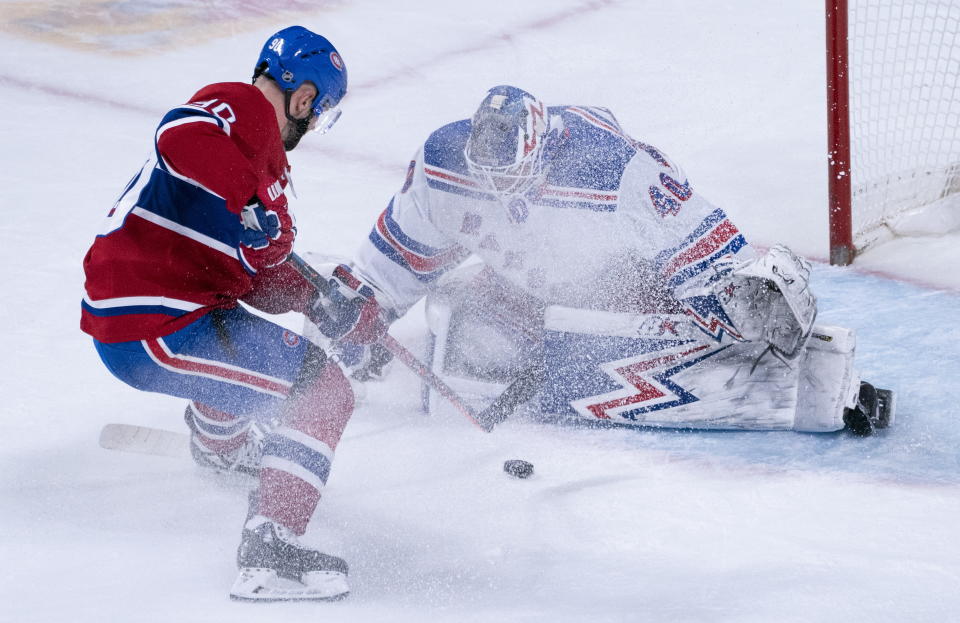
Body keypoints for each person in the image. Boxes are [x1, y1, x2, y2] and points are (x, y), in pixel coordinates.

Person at [323, 85, 894, 435]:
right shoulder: (442, 163)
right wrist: (355, 324)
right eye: (486, 177)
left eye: (513, 178)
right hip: (522, 280)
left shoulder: (616, 171)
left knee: (705, 318)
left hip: (628, 275)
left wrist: (744, 312)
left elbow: (708, 252)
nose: (498, 193)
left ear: (544, 153)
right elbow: (392, 260)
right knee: (465, 332)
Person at [81, 26, 380, 602]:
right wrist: (248, 198)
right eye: (320, 113)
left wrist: (324, 301)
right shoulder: (241, 109)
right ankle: (269, 552)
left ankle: (219, 446)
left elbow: (255, 280)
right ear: (304, 98)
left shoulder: (267, 173)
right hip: (154, 319)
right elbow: (180, 132)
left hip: (162, 315)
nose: (314, 126)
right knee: (321, 392)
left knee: (255, 345)